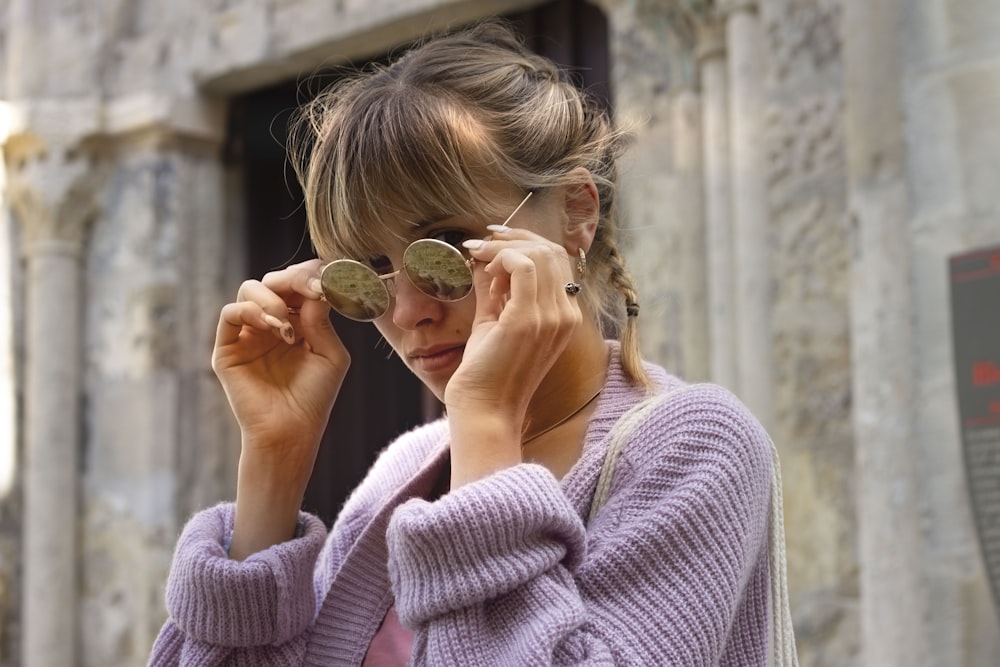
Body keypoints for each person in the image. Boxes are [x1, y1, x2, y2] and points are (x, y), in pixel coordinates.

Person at [150, 19, 786, 666]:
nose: (407, 311)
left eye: (447, 248)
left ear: (575, 214)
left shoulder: (696, 445)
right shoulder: (406, 472)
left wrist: (485, 424)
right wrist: (274, 460)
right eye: (367, 270)